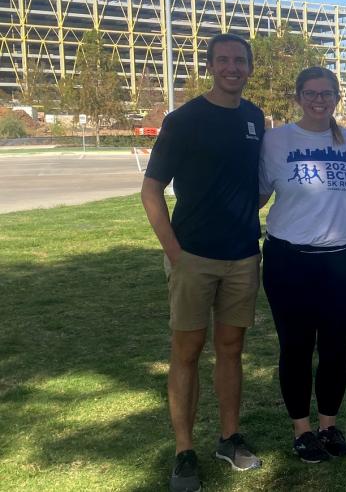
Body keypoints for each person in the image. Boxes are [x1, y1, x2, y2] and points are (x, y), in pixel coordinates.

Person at [141, 33, 265, 492]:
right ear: (211, 66)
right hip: (193, 256)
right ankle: (184, 451)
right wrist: (175, 253)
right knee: (186, 354)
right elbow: (151, 189)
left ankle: (229, 438)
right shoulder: (184, 119)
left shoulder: (255, 117)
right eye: (224, 60)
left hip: (243, 257)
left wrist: (251, 211)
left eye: (240, 61)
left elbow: (258, 181)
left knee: (232, 350)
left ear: (249, 67)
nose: (233, 67)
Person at [258, 66, 346, 463]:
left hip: (340, 259)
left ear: (338, 98)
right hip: (289, 260)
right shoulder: (276, 140)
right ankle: (302, 430)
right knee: (297, 347)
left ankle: (329, 425)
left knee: (337, 348)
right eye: (311, 93)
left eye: (327, 94)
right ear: (298, 97)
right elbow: (258, 192)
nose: (319, 100)